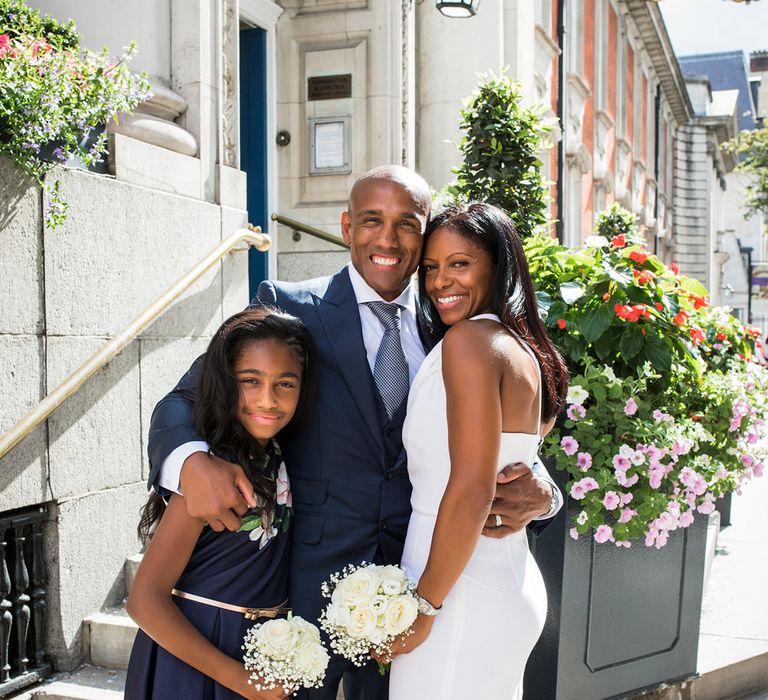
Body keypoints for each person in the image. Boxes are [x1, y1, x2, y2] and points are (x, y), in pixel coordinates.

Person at [146, 165, 562, 699]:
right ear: (346, 227)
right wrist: (188, 463)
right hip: (309, 583)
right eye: (371, 220)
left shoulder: (453, 324)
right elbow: (183, 398)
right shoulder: (290, 305)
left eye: (407, 224)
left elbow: (489, 438)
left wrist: (543, 494)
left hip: (422, 582)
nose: (387, 239)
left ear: (425, 230)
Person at [388, 203, 570, 699]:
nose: (440, 280)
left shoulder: (470, 342)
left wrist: (425, 608)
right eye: (431, 267)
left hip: (458, 595)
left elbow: (471, 487)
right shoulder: (519, 347)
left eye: (460, 263)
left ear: (498, 264)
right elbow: (516, 462)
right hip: (495, 580)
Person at [125, 308, 314, 699]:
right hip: (195, 664)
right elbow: (144, 601)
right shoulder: (213, 470)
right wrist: (242, 681)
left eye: (285, 384)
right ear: (225, 382)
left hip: (257, 657)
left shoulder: (277, 454)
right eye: (250, 381)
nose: (267, 399)